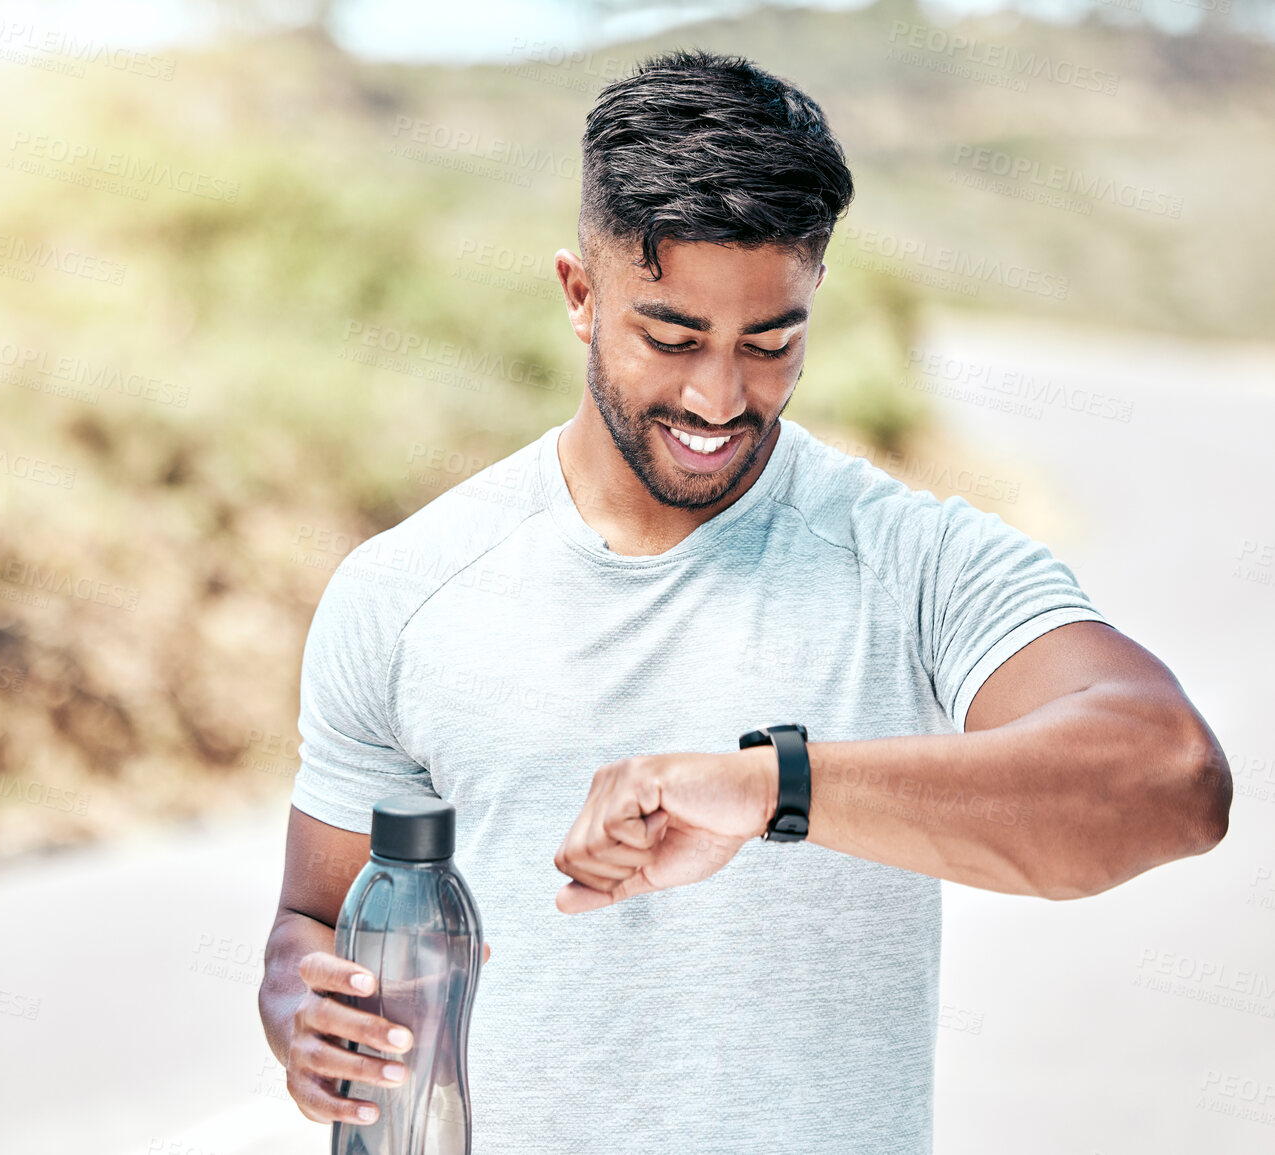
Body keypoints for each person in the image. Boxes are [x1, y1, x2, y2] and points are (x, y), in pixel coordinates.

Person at [256, 47, 1230, 1152]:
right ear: (580, 294)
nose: (719, 397)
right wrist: (299, 1003)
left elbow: (1174, 778)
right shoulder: (405, 592)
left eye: (771, 344)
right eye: (671, 337)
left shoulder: (908, 563)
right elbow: (314, 919)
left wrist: (777, 787)